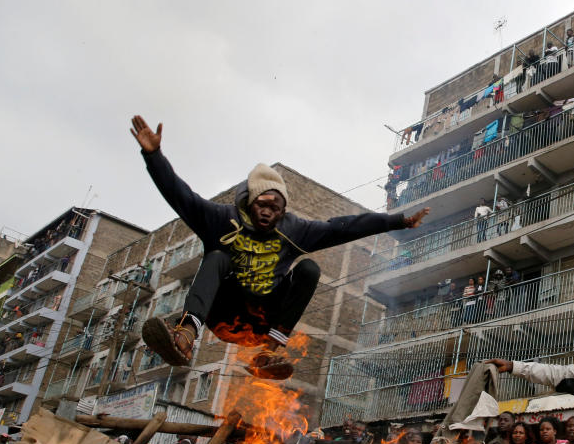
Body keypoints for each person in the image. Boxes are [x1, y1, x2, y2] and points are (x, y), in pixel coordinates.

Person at [129, 115, 429, 379]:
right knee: (218, 257)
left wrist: (398, 221)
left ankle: (270, 351)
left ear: (283, 210)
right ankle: (185, 335)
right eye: (262, 204)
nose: (268, 212)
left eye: (276, 207)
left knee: (309, 268)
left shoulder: (294, 230)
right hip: (223, 314)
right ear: (250, 201)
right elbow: (181, 196)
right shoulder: (220, 219)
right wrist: (153, 156)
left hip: (262, 321)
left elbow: (345, 227)